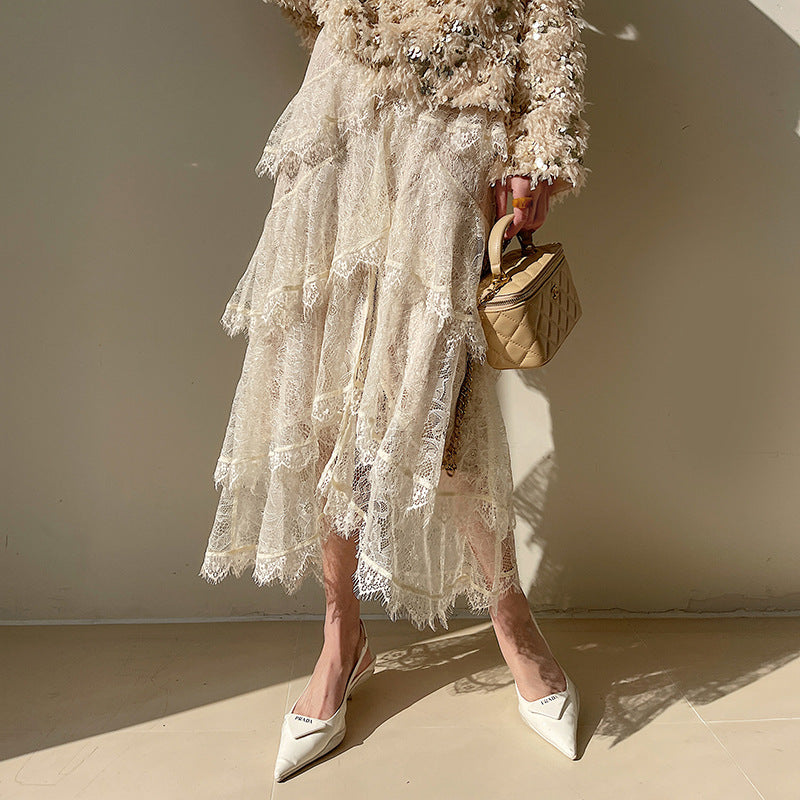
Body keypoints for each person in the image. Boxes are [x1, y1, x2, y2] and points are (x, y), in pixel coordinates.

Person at [199, 0, 591, 779]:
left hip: (460, 103)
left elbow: (552, 9)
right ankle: (340, 635)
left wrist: (540, 142)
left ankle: (512, 622)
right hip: (344, 100)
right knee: (321, 374)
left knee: (442, 392)